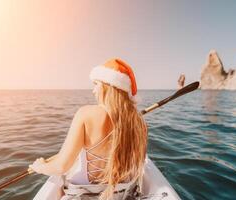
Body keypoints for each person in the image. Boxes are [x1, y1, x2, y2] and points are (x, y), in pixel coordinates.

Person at [30, 58, 148, 200]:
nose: (93, 91)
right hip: (123, 194)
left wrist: (40, 166)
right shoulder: (139, 122)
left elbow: (61, 167)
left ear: (107, 86)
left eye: (96, 84)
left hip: (83, 195)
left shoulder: (86, 113)